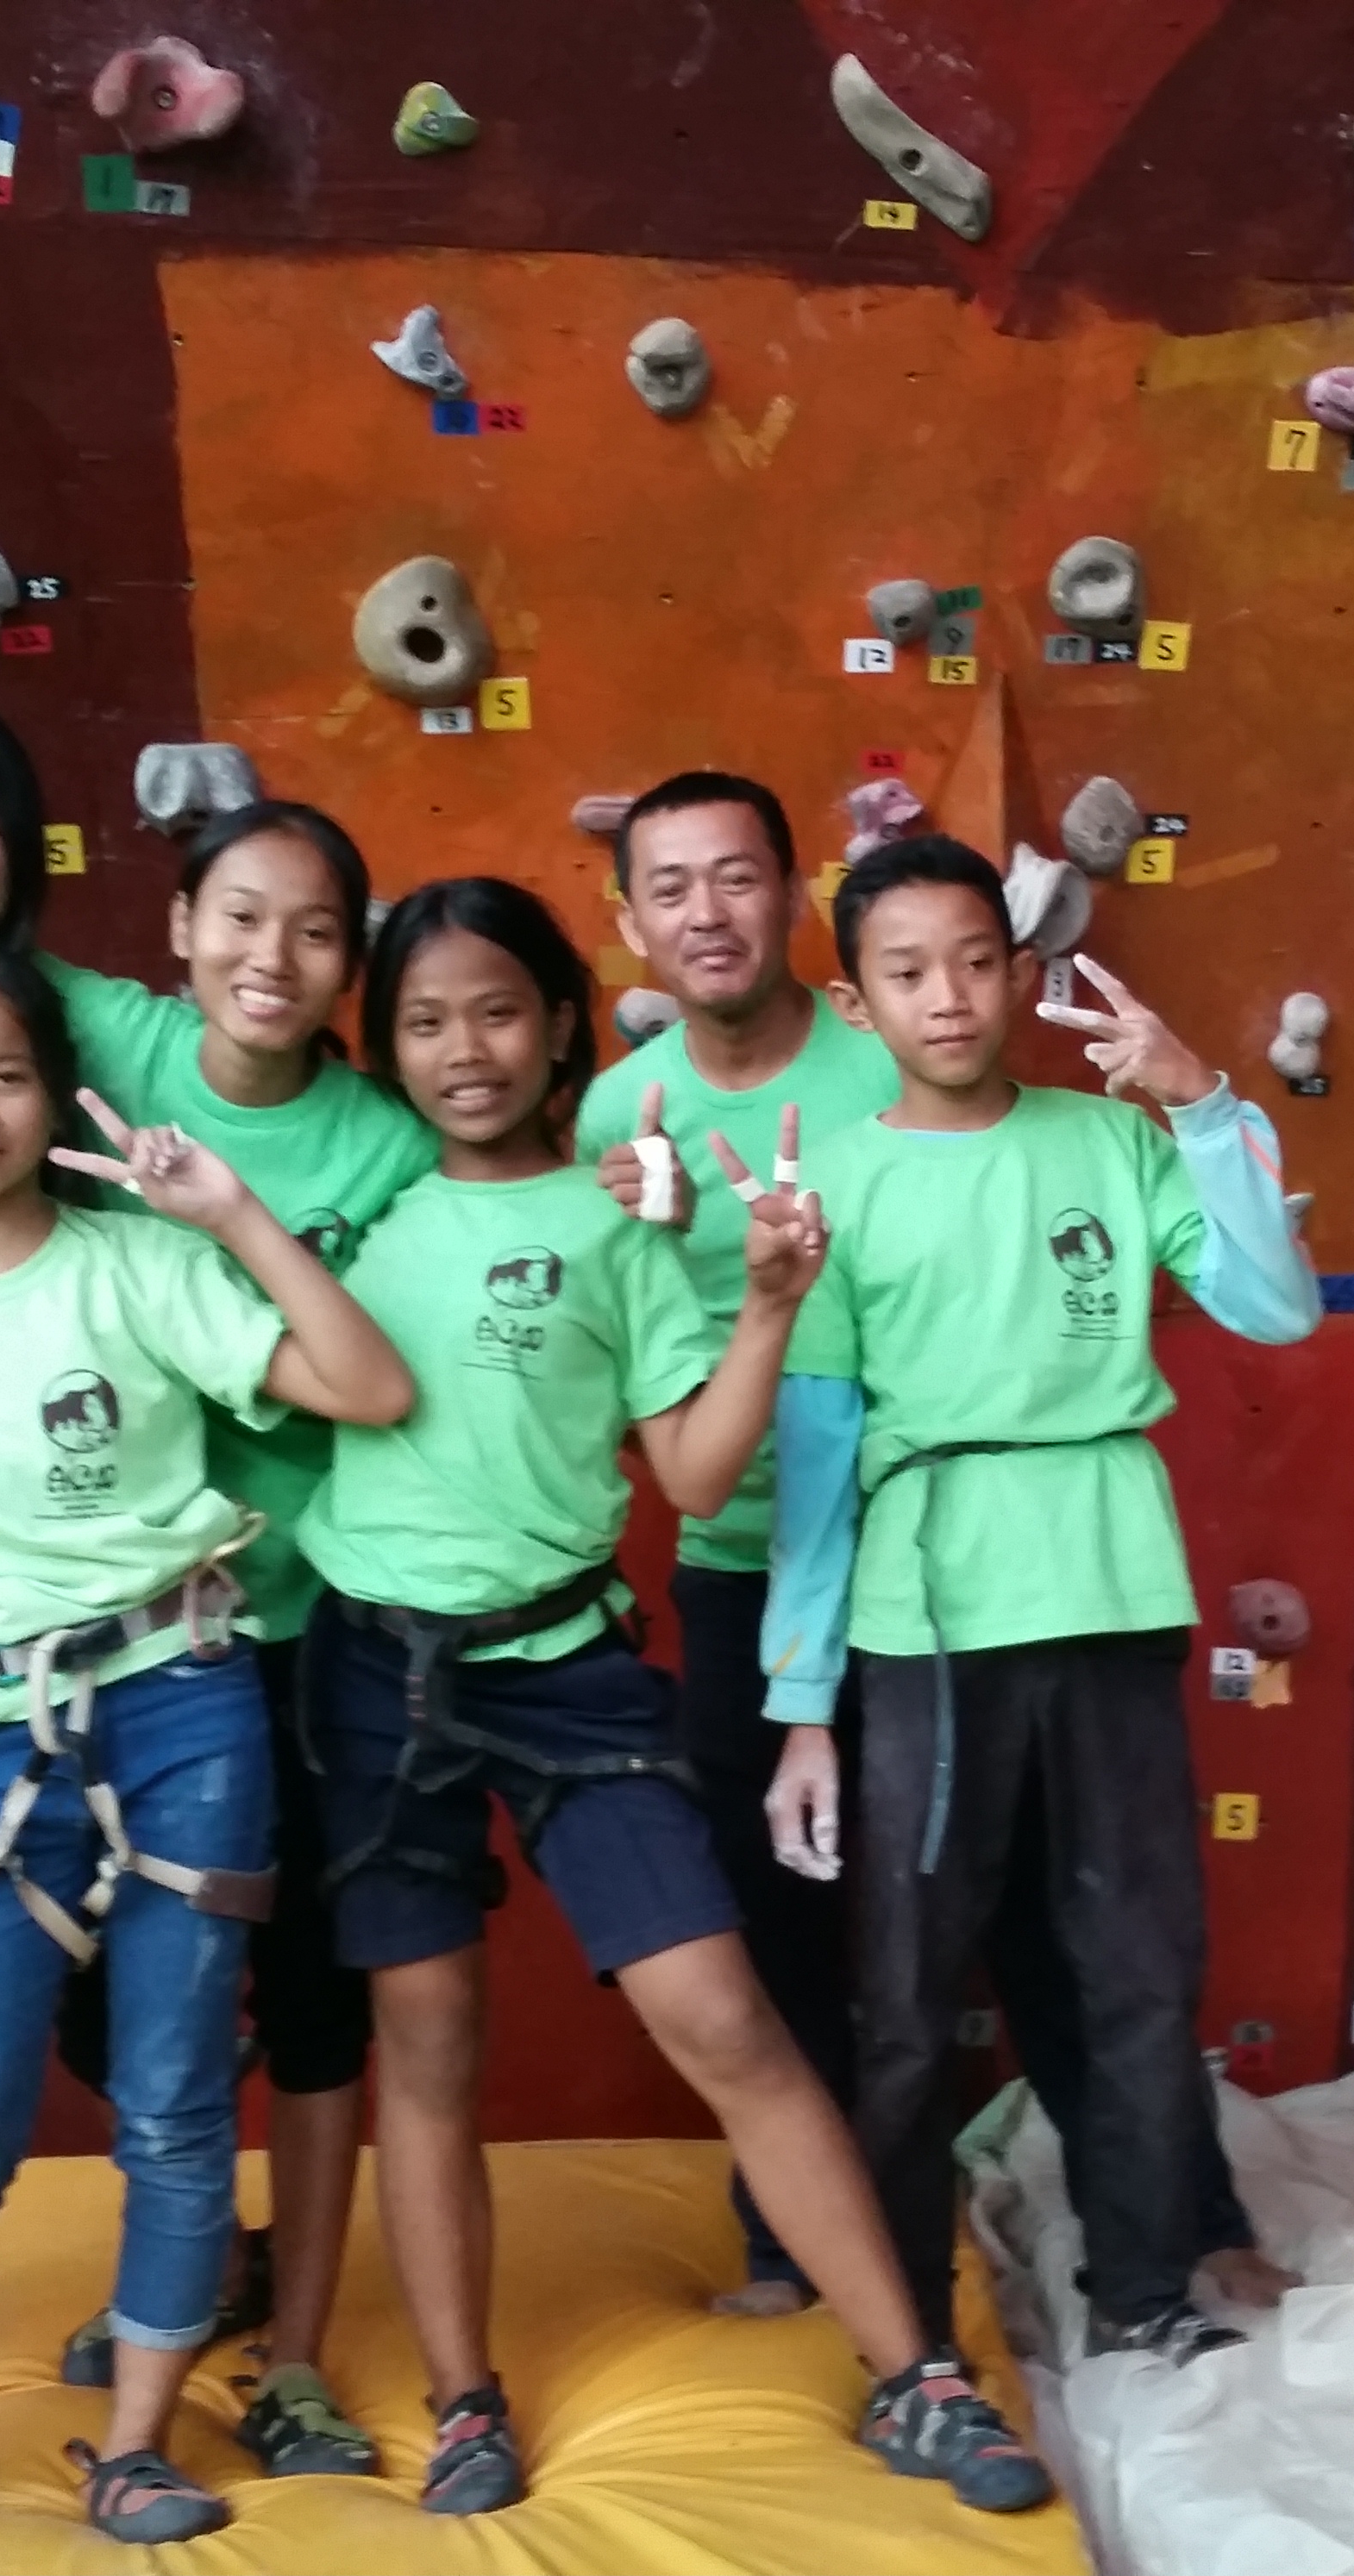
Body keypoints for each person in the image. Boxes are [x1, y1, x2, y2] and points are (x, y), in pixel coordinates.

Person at [296, 878, 1049, 2517]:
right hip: (375, 1677)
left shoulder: (617, 1227)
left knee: (726, 2017)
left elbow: (699, 1475)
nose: (465, 1050)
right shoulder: (355, 1214)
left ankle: (916, 2374)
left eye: (499, 1011)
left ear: (565, 1026)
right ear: (385, 1047)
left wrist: (768, 1304)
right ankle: (464, 2400)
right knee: (427, 2039)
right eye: (424, 1023)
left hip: (570, 1672)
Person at [0, 944, 414, 2564]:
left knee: (175, 2101)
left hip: (185, 1706)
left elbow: (370, 1384)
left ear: (55, 1094)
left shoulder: (138, 1266)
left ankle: (135, 2448)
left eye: (6, 1076)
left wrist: (231, 1217)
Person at [756, 836, 1321, 2367]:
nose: (947, 997)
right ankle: (904, 2339)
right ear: (856, 1004)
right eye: (906, 972)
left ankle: (1141, 2295)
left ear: (1020, 975)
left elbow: (1277, 1305)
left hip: (1110, 1587)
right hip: (925, 1618)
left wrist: (1201, 1103)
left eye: (974, 962)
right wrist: (801, 1706)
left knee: (1139, 1969)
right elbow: (817, 1458)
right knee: (904, 1989)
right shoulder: (833, 1185)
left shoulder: (1114, 1142)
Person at [34, 800, 430, 2471]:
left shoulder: (386, 1146)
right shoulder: (112, 1040)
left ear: (350, 964)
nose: (274, 958)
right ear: (181, 927)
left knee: (316, 1992)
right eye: (243, 918)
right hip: (112, 1627)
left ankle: (299, 2353)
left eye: (317, 930)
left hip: (306, 1622)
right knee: (87, 1990)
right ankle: (205, 2252)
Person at [566, 772, 902, 2314]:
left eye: (739, 877)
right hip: (741, 1571)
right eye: (672, 887)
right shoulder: (617, 1119)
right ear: (632, 920)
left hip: (928, 1555)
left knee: (961, 1901)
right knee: (771, 1912)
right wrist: (633, 1231)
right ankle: (789, 2246)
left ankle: (947, 2227)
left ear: (795, 893)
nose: (708, 913)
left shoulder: (889, 1060)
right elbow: (623, 1365)